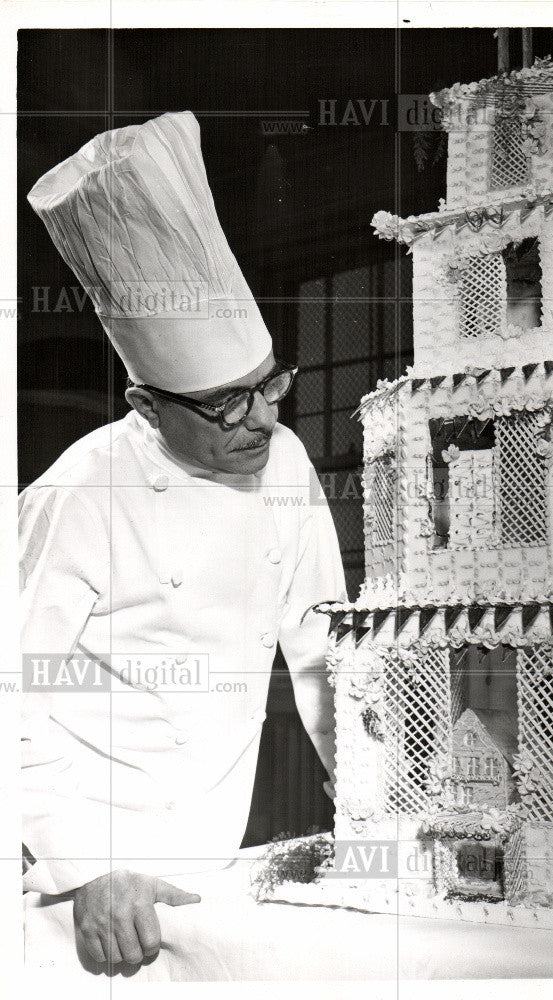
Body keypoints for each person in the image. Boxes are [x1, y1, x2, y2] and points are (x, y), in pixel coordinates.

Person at [20, 111, 346, 969]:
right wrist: (85, 866)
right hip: (81, 887)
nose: (263, 419)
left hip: (216, 855)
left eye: (267, 385)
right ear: (146, 404)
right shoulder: (78, 495)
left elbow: (321, 650)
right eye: (226, 405)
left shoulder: (285, 465)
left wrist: (375, 790)